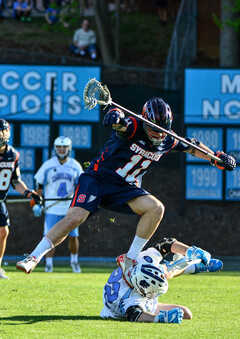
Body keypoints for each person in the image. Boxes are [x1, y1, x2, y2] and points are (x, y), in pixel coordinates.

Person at [16, 97, 236, 275]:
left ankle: (129, 260)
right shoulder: (133, 126)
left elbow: (191, 146)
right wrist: (114, 117)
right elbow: (120, 122)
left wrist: (216, 157)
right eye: (154, 129)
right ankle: (34, 256)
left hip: (125, 188)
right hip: (98, 179)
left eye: (163, 129)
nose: (159, 134)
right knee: (75, 218)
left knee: (156, 208)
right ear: (145, 120)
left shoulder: (167, 138)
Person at [100, 238, 222, 322]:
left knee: (163, 271)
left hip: (136, 286)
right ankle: (186, 265)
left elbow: (165, 244)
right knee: (186, 313)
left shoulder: (141, 261)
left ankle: (192, 265)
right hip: (119, 310)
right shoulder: (131, 299)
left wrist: (189, 250)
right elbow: (135, 315)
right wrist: (160, 318)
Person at [32, 136, 84, 273]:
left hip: (69, 209)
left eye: (64, 147)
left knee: (73, 236)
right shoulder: (48, 165)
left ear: (69, 148)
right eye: (59, 147)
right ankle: (49, 264)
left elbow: (82, 187)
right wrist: (36, 203)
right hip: (52, 208)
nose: (62, 149)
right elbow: (38, 188)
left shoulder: (75, 166)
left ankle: (74, 261)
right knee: (50, 236)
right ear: (55, 148)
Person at [0, 119, 42, 279]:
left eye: (2, 132)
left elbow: (15, 181)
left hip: (0, 200)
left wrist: (29, 194)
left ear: (7, 133)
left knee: (3, 231)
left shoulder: (12, 155)